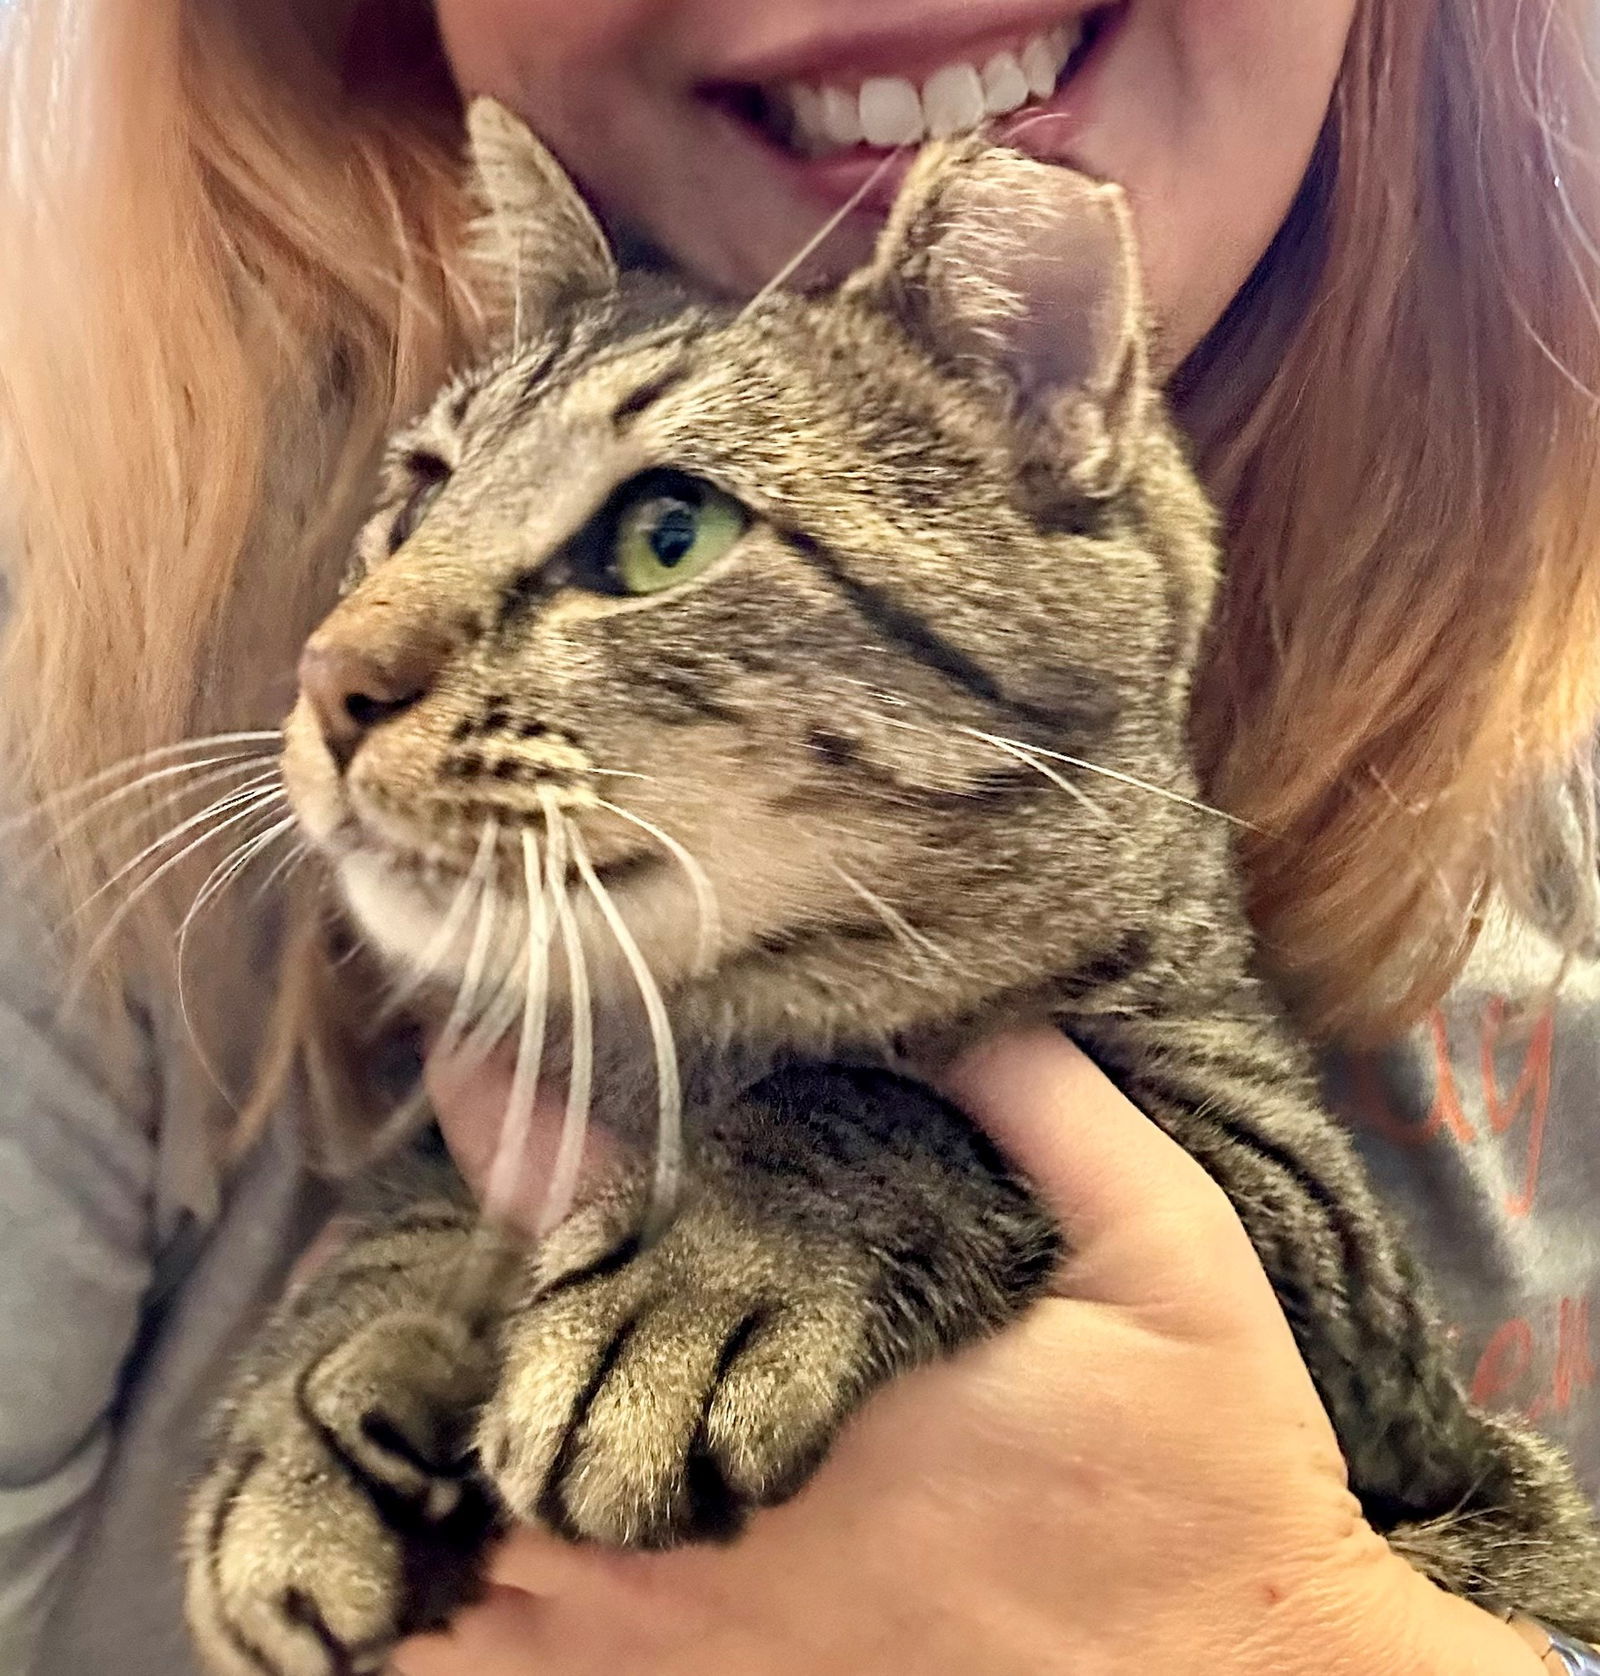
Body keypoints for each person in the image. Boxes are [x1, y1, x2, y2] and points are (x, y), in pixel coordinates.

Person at [0, 1, 1596, 1672]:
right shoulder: (85, 652)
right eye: (424, 507)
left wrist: (1281, 1636)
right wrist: (403, 1313)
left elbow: (1311, 1309)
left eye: (660, 524)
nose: (359, 661)